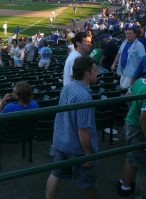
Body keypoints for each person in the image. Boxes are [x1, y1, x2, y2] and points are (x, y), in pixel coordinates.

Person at [46, 56, 99, 199]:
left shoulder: (67, 87)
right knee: (88, 183)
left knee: (56, 174)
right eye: (95, 70)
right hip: (77, 148)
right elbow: (83, 129)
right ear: (86, 73)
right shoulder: (84, 97)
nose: (97, 73)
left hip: (61, 141)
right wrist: (89, 153)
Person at [116, 68, 146, 197]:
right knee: (135, 160)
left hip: (130, 121)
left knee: (130, 155)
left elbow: (127, 96)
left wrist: (132, 110)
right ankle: (125, 188)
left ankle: (123, 181)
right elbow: (144, 118)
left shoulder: (140, 82)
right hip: (138, 126)